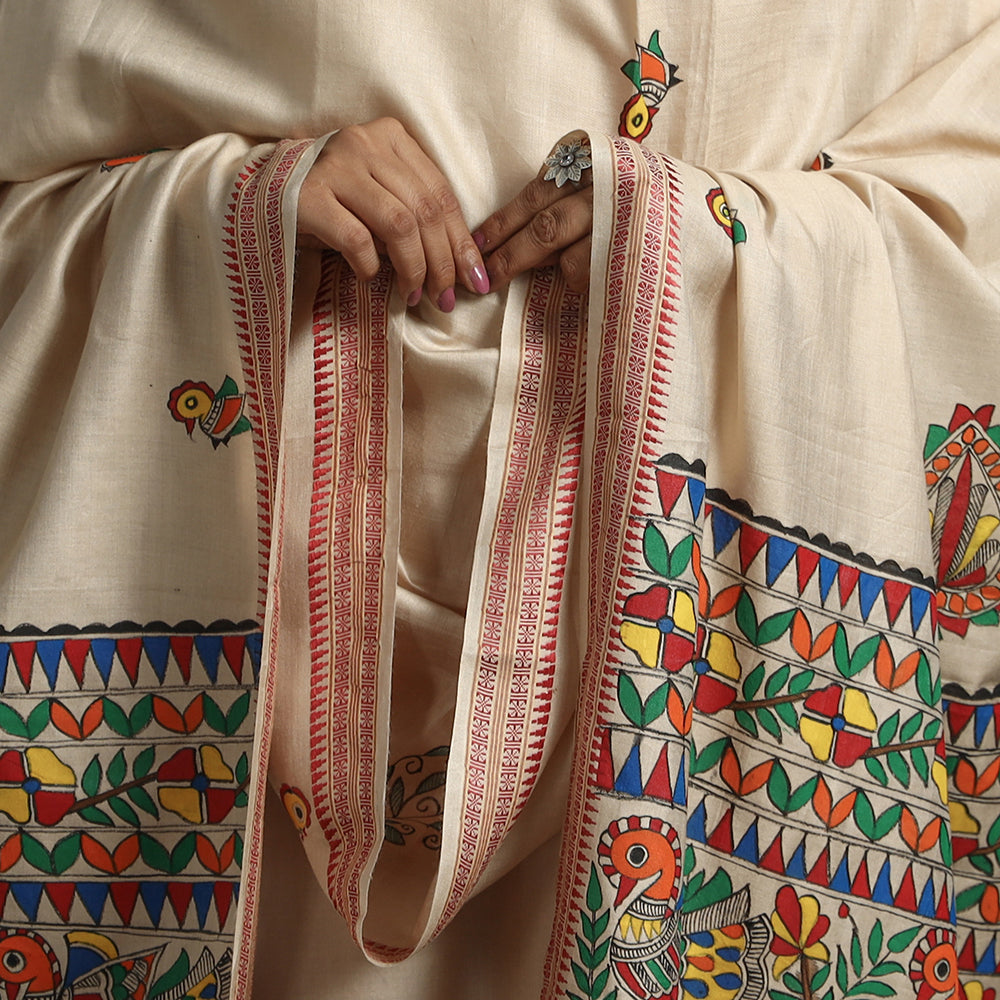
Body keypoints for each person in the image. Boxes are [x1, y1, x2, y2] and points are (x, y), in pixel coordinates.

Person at [0, 3, 998, 998]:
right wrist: (234, 207)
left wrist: (690, 243)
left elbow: (966, 205)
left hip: (692, 633)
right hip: (260, 632)